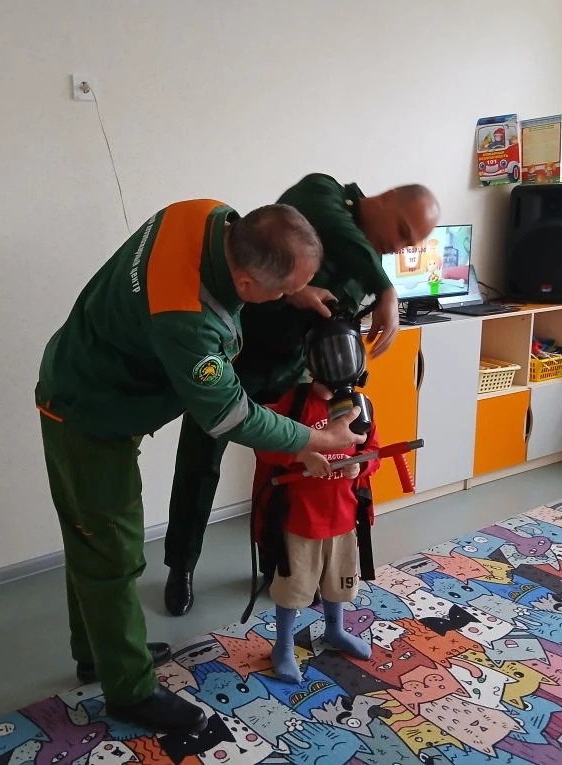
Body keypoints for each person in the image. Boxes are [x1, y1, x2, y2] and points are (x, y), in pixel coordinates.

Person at [35, 198, 367, 734]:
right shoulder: (186, 320)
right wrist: (315, 438)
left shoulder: (205, 215)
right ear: (245, 283)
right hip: (89, 412)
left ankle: (101, 653)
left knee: (90, 538)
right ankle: (130, 691)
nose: (288, 297)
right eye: (282, 290)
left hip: (94, 380)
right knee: (111, 550)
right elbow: (228, 414)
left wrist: (295, 288)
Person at [163, 174, 440, 616]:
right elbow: (329, 239)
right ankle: (181, 566)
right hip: (236, 357)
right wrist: (385, 289)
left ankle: (278, 561)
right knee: (199, 463)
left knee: (287, 470)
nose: (399, 246)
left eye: (411, 244)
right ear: (386, 198)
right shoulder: (322, 194)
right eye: (403, 231)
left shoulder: (365, 266)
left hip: (292, 372)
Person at [251, 377, 381, 684]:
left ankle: (335, 630)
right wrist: (301, 456)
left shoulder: (358, 405)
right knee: (293, 588)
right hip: (301, 522)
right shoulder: (295, 403)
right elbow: (265, 445)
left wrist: (360, 466)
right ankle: (283, 646)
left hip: (344, 517)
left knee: (337, 582)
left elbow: (373, 450)